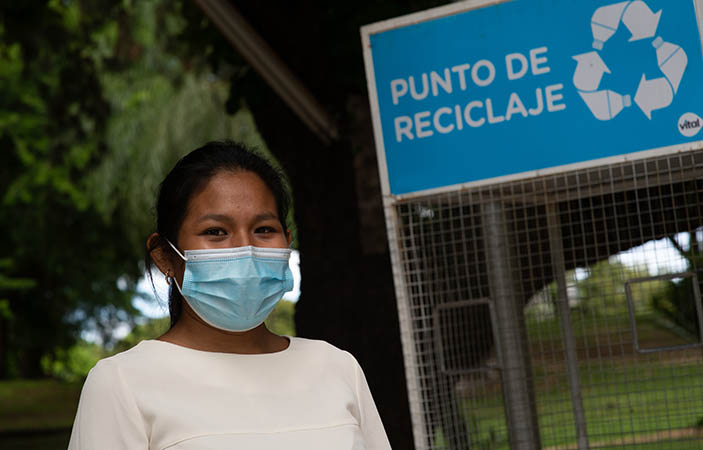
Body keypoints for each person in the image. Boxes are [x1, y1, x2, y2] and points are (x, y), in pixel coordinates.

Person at [68, 141, 392, 450]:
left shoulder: (337, 367)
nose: (245, 249)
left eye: (264, 229)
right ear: (165, 256)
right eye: (215, 232)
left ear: (287, 242)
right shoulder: (121, 382)